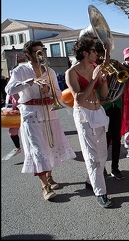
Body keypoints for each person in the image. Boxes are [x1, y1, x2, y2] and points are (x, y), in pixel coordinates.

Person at [5, 40, 76, 200]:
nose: (40, 55)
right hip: (31, 115)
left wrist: (48, 90)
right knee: (38, 150)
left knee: (50, 147)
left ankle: (49, 177)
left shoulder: (49, 71)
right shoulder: (20, 70)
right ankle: (45, 186)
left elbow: (58, 94)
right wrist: (28, 83)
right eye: (36, 52)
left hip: (50, 113)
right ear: (28, 54)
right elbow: (9, 89)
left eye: (41, 52)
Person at [65, 36, 113, 208]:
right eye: (93, 51)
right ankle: (101, 193)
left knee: (102, 154)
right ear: (85, 53)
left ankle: (89, 180)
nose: (96, 53)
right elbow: (78, 99)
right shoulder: (71, 73)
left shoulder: (94, 67)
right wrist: (93, 79)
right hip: (84, 114)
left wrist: (104, 81)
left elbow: (105, 94)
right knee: (92, 156)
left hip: (98, 112)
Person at [95, 44, 127, 180]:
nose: (105, 58)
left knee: (116, 138)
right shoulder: (94, 68)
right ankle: (102, 167)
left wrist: (119, 64)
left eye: (106, 55)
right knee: (104, 140)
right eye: (102, 55)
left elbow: (126, 74)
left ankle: (115, 167)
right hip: (103, 107)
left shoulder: (113, 65)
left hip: (115, 105)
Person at [1, 92, 22, 161]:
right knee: (12, 132)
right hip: (16, 112)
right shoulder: (10, 84)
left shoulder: (17, 83)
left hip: (24, 111)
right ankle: (18, 148)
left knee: (29, 133)